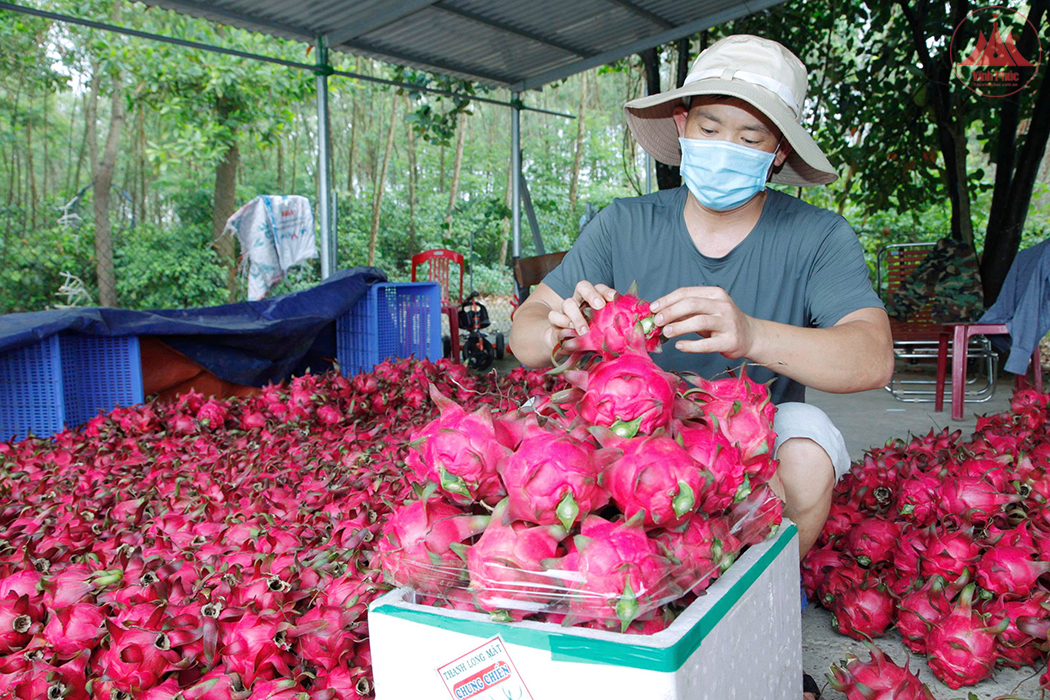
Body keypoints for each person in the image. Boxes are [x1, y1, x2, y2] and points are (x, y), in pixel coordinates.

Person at [509, 34, 894, 699]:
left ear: (777, 154)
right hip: (622, 443)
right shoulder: (623, 225)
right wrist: (560, 329)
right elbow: (524, 332)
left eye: (750, 136)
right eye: (711, 126)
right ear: (681, 127)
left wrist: (749, 334)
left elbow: (871, 356)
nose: (725, 145)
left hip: (744, 456)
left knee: (807, 448)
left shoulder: (817, 237)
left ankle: (750, 610)